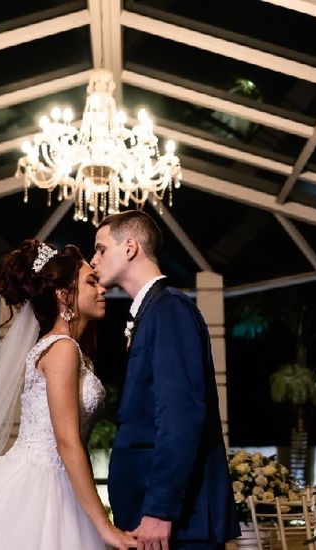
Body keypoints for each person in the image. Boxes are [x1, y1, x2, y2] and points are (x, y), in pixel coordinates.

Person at [0, 240, 136, 550]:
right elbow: (67, 441)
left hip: (60, 484)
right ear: (64, 295)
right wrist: (103, 526)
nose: (102, 290)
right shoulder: (62, 349)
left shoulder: (69, 350)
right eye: (91, 282)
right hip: (39, 487)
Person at [91, 211, 240, 550]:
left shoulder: (169, 309)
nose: (93, 260)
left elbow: (180, 415)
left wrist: (160, 510)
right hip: (152, 516)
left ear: (129, 247)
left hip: (175, 522)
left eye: (100, 249)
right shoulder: (153, 313)